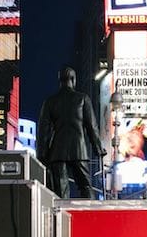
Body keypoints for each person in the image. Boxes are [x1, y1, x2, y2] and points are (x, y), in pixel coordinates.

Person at [36, 66, 104, 198]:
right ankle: (89, 214)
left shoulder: (50, 102)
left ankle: (61, 217)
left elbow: (43, 131)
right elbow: (92, 127)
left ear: (59, 81)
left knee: (60, 191)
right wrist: (98, 148)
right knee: (85, 186)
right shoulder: (83, 99)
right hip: (79, 149)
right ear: (73, 79)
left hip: (57, 151)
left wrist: (42, 154)